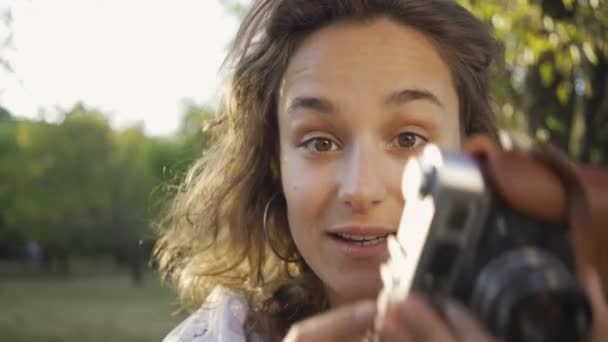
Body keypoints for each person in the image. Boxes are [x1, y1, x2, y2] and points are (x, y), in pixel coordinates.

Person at [155, 0, 608, 341]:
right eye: (319, 142)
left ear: (472, 150)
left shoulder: (568, 313)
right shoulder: (223, 333)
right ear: (275, 164)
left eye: (409, 139)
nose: (361, 189)